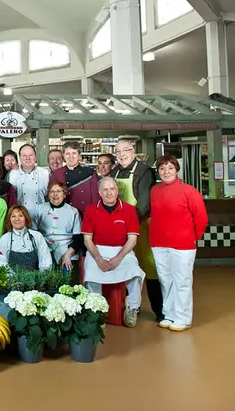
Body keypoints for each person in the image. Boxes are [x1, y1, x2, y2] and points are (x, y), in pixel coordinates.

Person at [149, 155, 208, 332]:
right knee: (165, 280)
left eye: (170, 168)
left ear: (176, 170)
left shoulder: (189, 191)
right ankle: (169, 314)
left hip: (183, 244)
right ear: (158, 171)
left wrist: (192, 237)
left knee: (182, 280)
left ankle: (183, 318)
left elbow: (201, 218)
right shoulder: (155, 190)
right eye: (162, 169)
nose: (166, 172)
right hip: (158, 242)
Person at [81, 177, 145, 327]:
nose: (109, 193)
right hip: (97, 250)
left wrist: (118, 258)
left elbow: (132, 240)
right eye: (105, 190)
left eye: (112, 189)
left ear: (117, 191)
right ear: (99, 193)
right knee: (91, 273)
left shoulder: (129, 210)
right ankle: (96, 311)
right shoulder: (91, 210)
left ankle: (132, 307)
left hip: (123, 251)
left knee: (135, 273)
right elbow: (87, 239)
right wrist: (98, 259)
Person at [110, 140, 162, 322]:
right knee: (126, 267)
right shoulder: (115, 171)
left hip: (141, 226)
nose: (122, 154)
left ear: (134, 151)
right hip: (120, 227)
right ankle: (131, 306)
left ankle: (160, 310)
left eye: (126, 150)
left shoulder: (144, 171)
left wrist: (129, 225)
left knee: (149, 267)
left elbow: (144, 202)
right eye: (118, 151)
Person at [32, 182, 83, 270]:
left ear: (64, 194)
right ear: (48, 195)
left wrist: (68, 255)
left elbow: (78, 237)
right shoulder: (39, 209)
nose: (55, 194)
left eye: (59, 191)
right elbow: (33, 233)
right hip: (44, 248)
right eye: (52, 191)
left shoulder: (73, 211)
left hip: (67, 250)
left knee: (67, 279)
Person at [49, 141, 100, 216]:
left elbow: (96, 199)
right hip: (64, 215)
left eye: (74, 153)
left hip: (86, 216)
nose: (71, 157)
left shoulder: (90, 173)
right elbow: (51, 197)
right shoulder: (57, 174)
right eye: (67, 153)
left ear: (79, 155)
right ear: (63, 156)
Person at [0, 205, 52, 271]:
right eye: (13, 216)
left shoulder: (37, 236)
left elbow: (45, 263)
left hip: (35, 278)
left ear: (26, 218)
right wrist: (13, 280)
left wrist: (39, 279)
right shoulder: (5, 238)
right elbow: (3, 264)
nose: (17, 219)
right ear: (9, 219)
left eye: (20, 215)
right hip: (12, 280)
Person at [7, 144, 49, 218]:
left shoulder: (45, 173)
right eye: (24, 155)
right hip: (20, 218)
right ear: (20, 158)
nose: (27, 158)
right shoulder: (13, 174)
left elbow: (49, 196)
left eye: (31, 155)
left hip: (42, 216)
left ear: (35, 157)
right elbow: (10, 198)